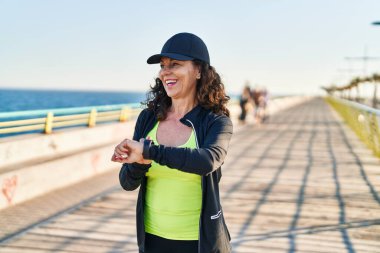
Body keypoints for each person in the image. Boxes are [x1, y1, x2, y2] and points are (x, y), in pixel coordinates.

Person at [111, 32, 233, 253]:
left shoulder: (215, 121)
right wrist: (139, 162)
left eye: (175, 64)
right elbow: (127, 183)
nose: (165, 71)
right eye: (163, 65)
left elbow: (207, 160)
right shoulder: (148, 118)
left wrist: (150, 151)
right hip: (152, 240)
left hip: (199, 242)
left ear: (198, 71)